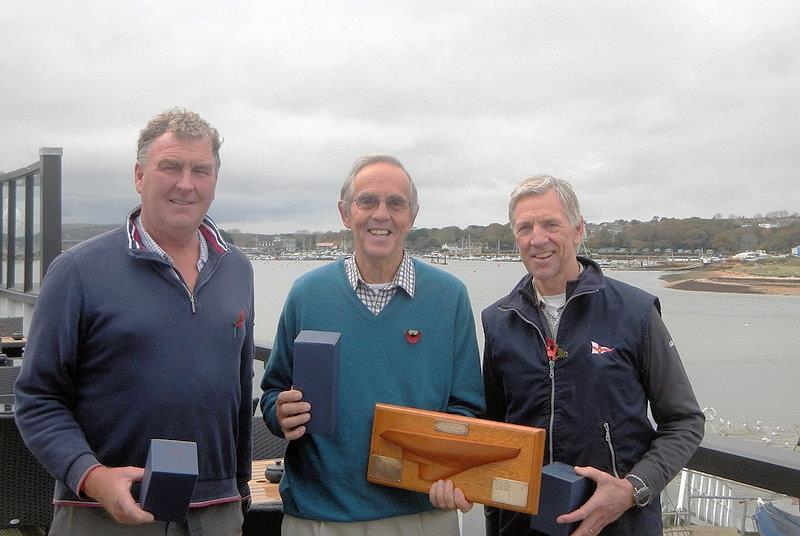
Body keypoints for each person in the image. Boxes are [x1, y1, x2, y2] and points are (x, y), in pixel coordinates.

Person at [14, 108, 254, 535]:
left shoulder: (237, 268)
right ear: (140, 176)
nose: (186, 183)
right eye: (170, 167)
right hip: (105, 513)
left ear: (215, 180)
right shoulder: (77, 272)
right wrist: (91, 477)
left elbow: (238, 390)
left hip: (216, 512)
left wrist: (238, 492)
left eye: (201, 170)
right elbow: (36, 398)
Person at [261, 154, 485, 535]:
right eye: (367, 201)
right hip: (318, 518)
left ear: (412, 216)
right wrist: (280, 414)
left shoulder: (449, 298)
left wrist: (455, 472)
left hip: (421, 517)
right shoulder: (306, 294)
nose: (381, 214)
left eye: (395, 203)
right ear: (345, 213)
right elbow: (272, 394)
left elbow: (467, 410)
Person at [482, 175, 704, 536]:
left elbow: (684, 421)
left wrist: (633, 488)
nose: (538, 239)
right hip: (523, 525)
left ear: (577, 229)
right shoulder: (498, 320)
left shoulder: (635, 312)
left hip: (619, 525)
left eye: (551, 224)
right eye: (525, 228)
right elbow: (492, 428)